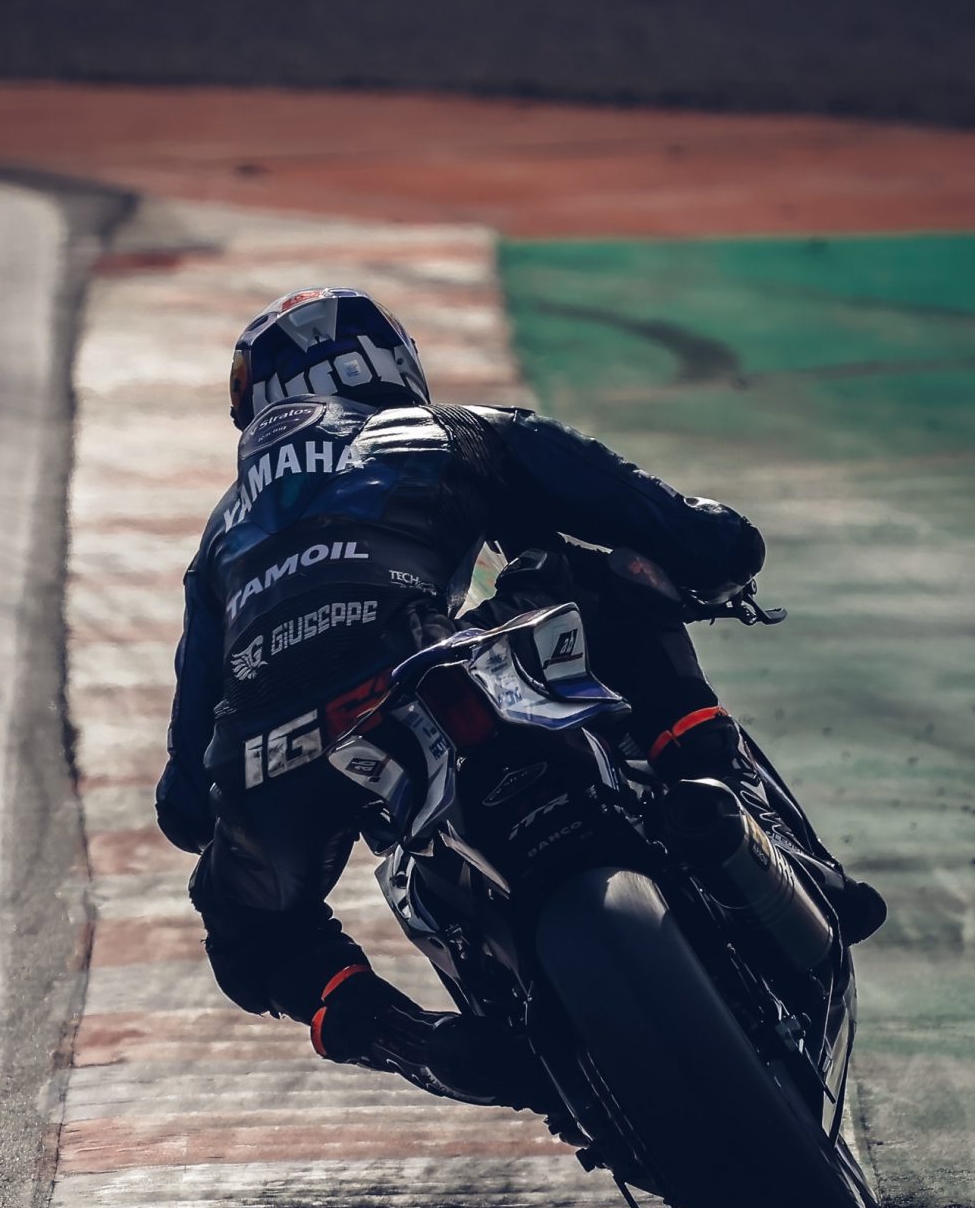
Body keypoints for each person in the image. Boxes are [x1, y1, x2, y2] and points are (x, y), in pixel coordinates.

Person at [155, 287, 883, 1108]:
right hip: (435, 664)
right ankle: (713, 788)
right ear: (390, 363)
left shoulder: (222, 536)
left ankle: (406, 1035)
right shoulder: (457, 431)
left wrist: (243, 789)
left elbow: (184, 806)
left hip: (281, 747)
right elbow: (695, 534)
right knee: (604, 579)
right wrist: (716, 554)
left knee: (246, 923)